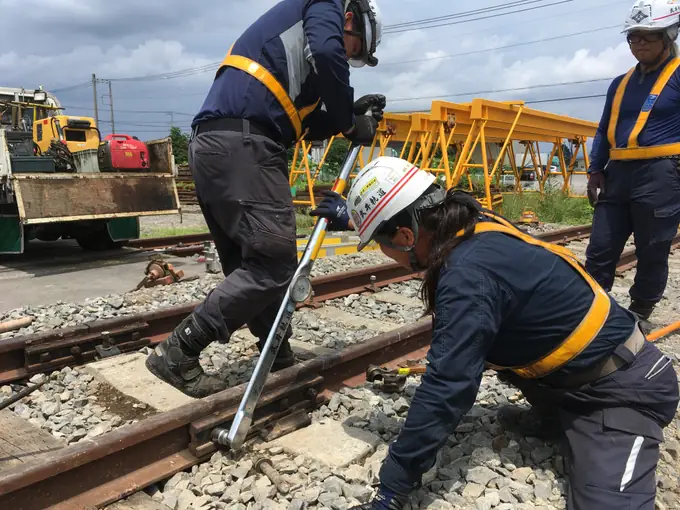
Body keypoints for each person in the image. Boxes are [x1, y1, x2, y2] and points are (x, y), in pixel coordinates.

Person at [310, 156, 679, 510]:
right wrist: (355, 218)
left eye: (380, 242)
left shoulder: (468, 276)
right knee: (501, 339)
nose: (385, 252)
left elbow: (446, 387)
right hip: (578, 375)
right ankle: (558, 415)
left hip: (624, 389)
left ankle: (587, 422)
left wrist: (391, 490)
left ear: (406, 234)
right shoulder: (471, 221)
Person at [145, 0, 386, 398]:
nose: (347, 56)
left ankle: (276, 349)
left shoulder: (287, 63)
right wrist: (348, 121)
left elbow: (306, 124)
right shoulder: (323, 5)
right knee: (273, 263)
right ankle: (178, 352)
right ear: (349, 19)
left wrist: (345, 116)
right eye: (353, 48)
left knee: (251, 264)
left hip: (216, 145)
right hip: (245, 146)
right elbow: (328, 52)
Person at [585, 0, 680, 332]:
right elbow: (602, 130)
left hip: (662, 173)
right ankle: (594, 308)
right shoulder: (620, 83)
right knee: (600, 247)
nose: (639, 43)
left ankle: (640, 310)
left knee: (652, 248)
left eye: (647, 37)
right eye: (633, 37)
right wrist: (595, 169)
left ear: (669, 35)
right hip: (618, 174)